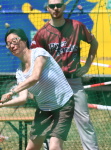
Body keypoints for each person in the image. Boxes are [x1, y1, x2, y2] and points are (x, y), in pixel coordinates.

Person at [0, 28, 74, 150]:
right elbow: (22, 99)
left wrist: (12, 91)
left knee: (54, 146)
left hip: (63, 104)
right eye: (8, 44)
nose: (11, 45)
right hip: (44, 109)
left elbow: (35, 77)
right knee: (31, 148)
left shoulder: (39, 53)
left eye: (14, 41)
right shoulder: (20, 73)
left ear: (24, 40)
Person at [30, 0, 99, 150]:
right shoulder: (42, 33)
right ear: (47, 8)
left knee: (84, 121)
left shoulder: (77, 26)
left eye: (59, 5)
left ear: (64, 7)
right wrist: (33, 86)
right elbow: (33, 61)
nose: (56, 8)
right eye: (52, 6)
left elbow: (94, 43)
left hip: (74, 82)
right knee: (50, 123)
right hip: (52, 85)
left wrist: (87, 65)